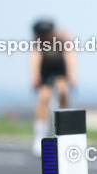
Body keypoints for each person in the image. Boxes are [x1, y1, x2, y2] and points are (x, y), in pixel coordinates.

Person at [29, 18, 76, 156]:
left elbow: (70, 55)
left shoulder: (62, 38)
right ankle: (40, 135)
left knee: (62, 90)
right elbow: (34, 58)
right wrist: (35, 75)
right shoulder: (37, 42)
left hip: (59, 67)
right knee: (43, 97)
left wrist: (71, 74)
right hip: (45, 69)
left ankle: (63, 125)